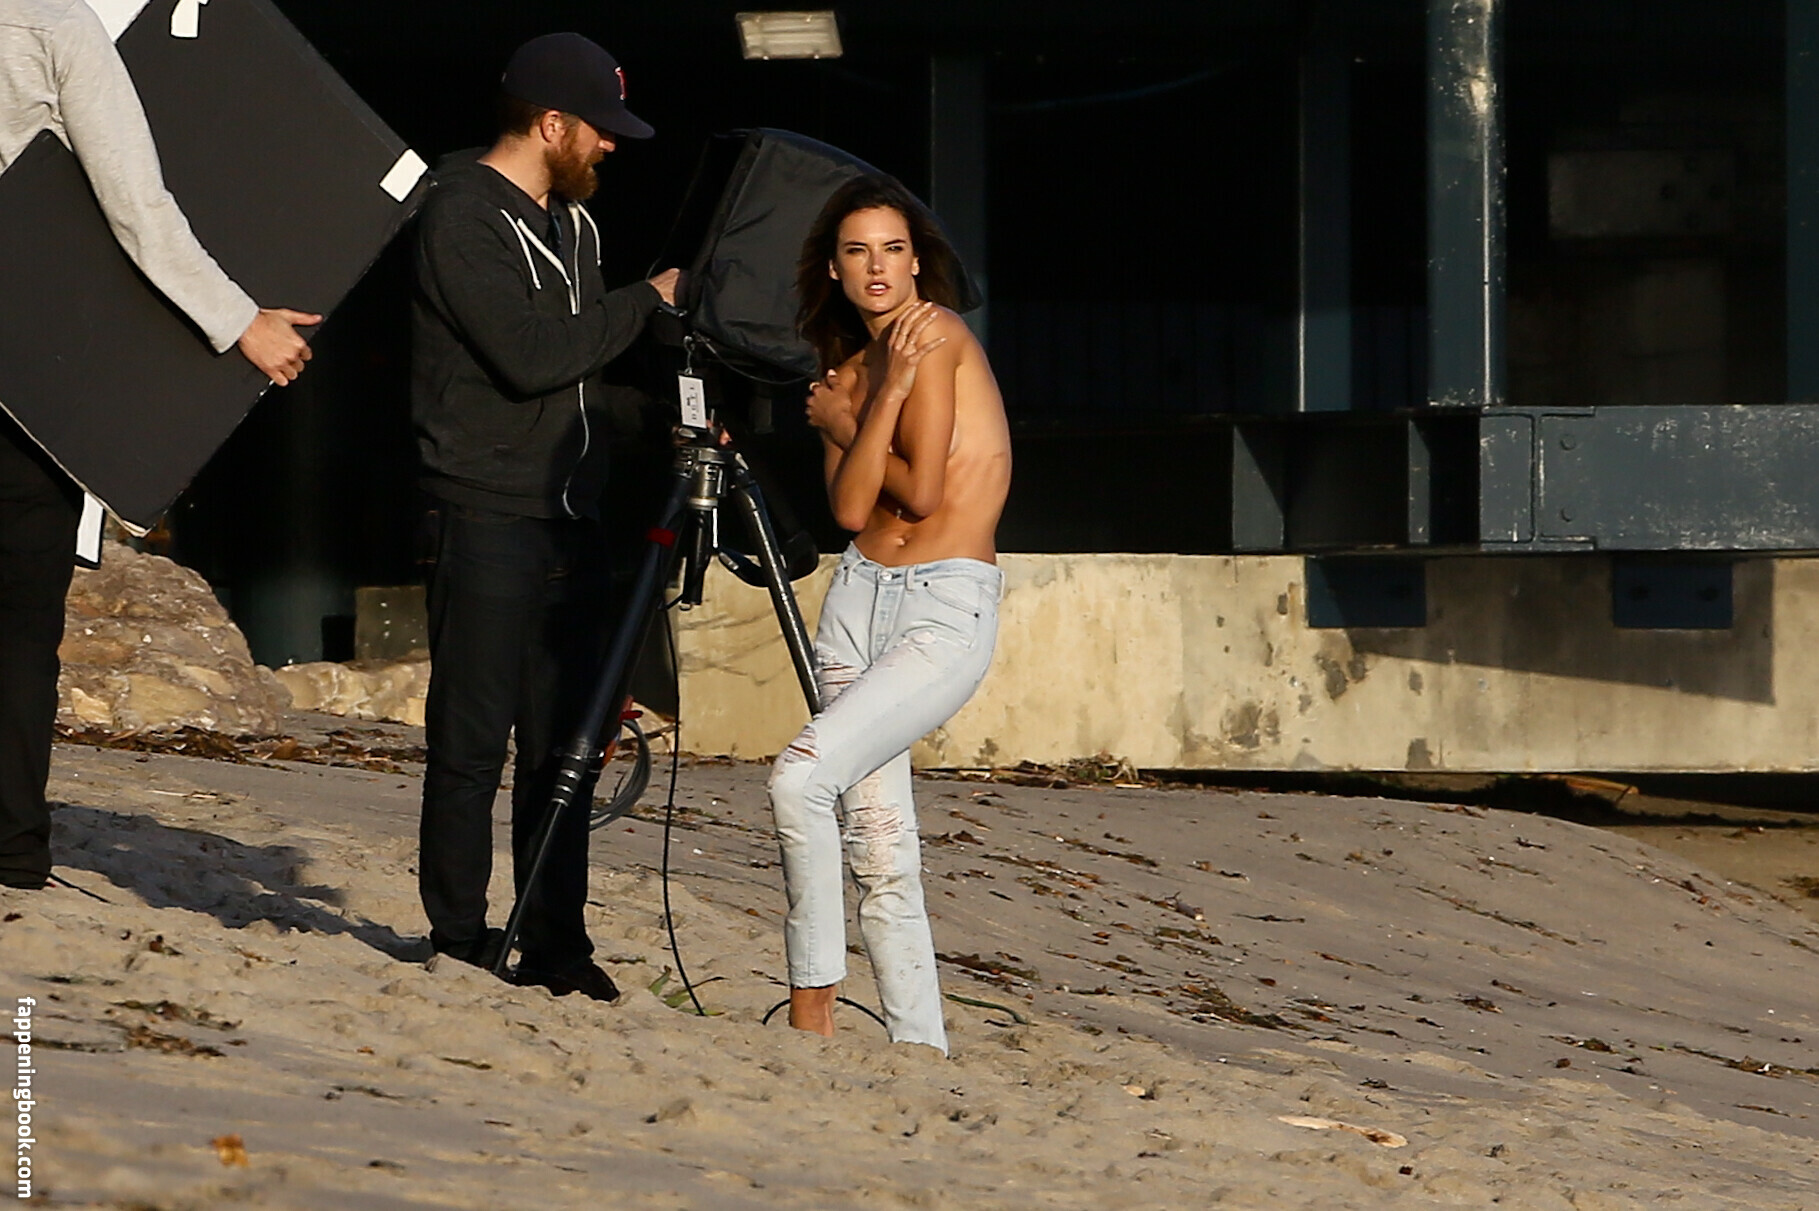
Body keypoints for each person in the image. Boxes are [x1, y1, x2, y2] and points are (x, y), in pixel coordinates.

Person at [0, 0, 317, 892]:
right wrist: (240, 322)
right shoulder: (52, 27)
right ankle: (12, 845)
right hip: (23, 377)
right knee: (19, 621)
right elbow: (136, 206)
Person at [411, 32, 681, 1002]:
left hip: (572, 518)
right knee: (471, 742)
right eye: (599, 129)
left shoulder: (577, 224)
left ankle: (556, 943)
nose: (610, 146)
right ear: (551, 123)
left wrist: (658, 416)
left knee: (564, 748)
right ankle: (458, 936)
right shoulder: (458, 212)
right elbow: (530, 356)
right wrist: (647, 301)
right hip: (483, 511)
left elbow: (581, 373)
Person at [770, 175, 1013, 1052]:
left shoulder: (934, 335)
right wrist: (857, 404)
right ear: (834, 270)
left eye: (893, 249)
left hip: (942, 604)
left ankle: (811, 1007)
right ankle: (919, 1048)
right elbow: (848, 509)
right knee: (877, 844)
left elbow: (922, 490)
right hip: (856, 598)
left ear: (917, 263)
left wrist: (858, 412)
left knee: (798, 779)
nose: (877, 266)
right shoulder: (845, 373)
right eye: (857, 251)